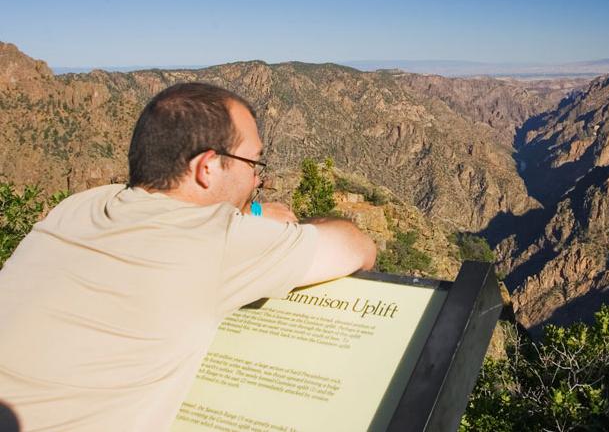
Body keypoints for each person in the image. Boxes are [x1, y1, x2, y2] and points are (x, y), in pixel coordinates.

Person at [0, 82, 376, 431]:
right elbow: (359, 249)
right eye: (254, 165)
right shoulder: (217, 240)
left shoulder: (77, 207)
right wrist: (268, 223)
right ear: (207, 166)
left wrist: (254, 215)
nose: (256, 181)